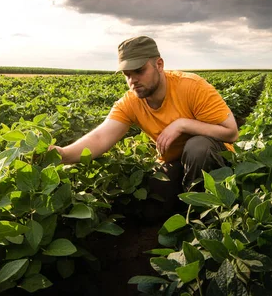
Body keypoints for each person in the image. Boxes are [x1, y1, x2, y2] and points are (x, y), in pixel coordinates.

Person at [51, 36, 238, 207]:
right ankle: (188, 205)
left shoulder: (192, 87)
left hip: (213, 158)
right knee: (151, 206)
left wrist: (183, 124)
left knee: (198, 147)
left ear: (159, 64)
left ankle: (208, 212)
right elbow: (100, 137)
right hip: (175, 161)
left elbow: (231, 133)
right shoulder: (131, 102)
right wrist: (62, 154)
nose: (133, 80)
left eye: (139, 71)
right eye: (127, 74)